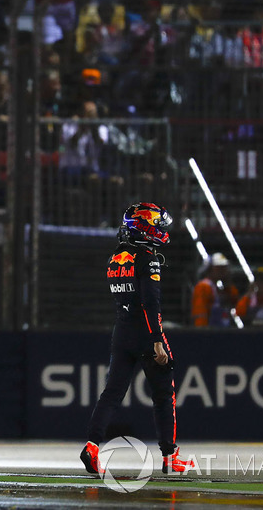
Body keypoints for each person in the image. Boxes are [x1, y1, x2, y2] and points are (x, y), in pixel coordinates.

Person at [81, 202, 194, 475]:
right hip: (146, 332)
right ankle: (170, 457)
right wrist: (156, 339)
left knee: (111, 393)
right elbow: (150, 302)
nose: (160, 230)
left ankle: (92, 446)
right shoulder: (147, 257)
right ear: (143, 228)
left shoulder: (115, 257)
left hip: (121, 330)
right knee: (163, 394)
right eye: (155, 224)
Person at [191, 252, 240, 327]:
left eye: (224, 267)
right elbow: (200, 314)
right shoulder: (203, 286)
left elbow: (235, 302)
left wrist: (228, 283)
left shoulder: (220, 288)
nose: (222, 270)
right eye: (219, 267)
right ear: (210, 268)